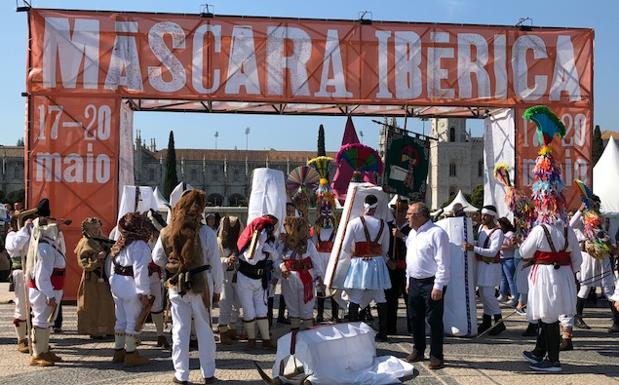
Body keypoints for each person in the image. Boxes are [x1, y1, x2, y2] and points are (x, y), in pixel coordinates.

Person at [152, 189, 223, 384]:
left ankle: (181, 375)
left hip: (176, 283)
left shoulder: (167, 231)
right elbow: (215, 263)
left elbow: (157, 258)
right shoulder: (207, 232)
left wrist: (173, 264)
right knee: (204, 329)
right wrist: (218, 289)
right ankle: (208, 374)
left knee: (180, 329)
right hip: (202, 283)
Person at [404, 202, 450, 370]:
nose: (406, 217)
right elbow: (411, 259)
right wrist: (409, 280)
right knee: (415, 317)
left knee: (434, 320)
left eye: (409, 213)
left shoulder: (437, 233)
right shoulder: (411, 233)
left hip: (432, 282)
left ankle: (437, 355)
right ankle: (418, 349)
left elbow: (443, 262)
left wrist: (438, 286)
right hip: (415, 282)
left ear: (420, 216)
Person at [342, 194, 391, 341]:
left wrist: (355, 254)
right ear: (376, 207)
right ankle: (383, 333)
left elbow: (345, 247)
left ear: (363, 205)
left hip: (359, 263)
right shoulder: (384, 224)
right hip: (377, 264)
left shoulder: (354, 223)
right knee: (380, 298)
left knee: (355, 298)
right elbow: (385, 249)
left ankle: (353, 332)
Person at [109, 212, 154, 367]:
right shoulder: (140, 245)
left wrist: (113, 284)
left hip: (116, 282)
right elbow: (140, 270)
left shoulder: (120, 242)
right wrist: (143, 292)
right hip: (131, 285)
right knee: (132, 320)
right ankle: (131, 354)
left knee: (120, 318)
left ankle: (118, 351)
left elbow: (112, 265)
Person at [570, 200, 618, 332]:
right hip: (588, 259)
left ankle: (617, 322)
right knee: (585, 288)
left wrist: (607, 245)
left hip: (603, 259)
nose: (594, 208)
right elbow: (570, 225)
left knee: (609, 289)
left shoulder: (607, 221)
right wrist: (580, 210)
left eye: (596, 205)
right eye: (590, 205)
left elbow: (613, 243)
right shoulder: (582, 222)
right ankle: (577, 318)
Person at [25, 216, 65, 366]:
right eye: (55, 226)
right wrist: (50, 294)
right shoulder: (44, 247)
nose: (58, 228)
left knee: (47, 321)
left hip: (51, 288)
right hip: (44, 291)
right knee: (41, 320)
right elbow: (42, 276)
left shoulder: (49, 244)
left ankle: (44, 350)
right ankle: (37, 354)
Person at [235, 214, 279, 350]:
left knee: (261, 310)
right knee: (249, 310)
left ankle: (265, 339)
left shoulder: (268, 242)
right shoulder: (248, 242)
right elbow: (251, 258)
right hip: (245, 278)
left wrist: (266, 247)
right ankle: (252, 339)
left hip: (260, 280)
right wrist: (260, 241)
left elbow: (275, 257)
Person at [464, 205, 505, 335]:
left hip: (491, 267)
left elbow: (493, 252)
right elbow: (480, 244)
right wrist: (473, 244)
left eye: (485, 215)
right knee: (482, 295)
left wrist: (473, 248)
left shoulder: (498, 232)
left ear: (493, 217)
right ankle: (486, 321)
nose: (482, 217)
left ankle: (499, 322)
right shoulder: (481, 228)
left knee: (488, 294)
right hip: (480, 266)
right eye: (482, 215)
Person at [278, 216, 322, 331]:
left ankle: (309, 335)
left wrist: (319, 277)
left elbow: (316, 261)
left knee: (307, 307)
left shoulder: (309, 244)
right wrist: (282, 267)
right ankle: (295, 335)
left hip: (306, 277)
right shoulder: (284, 244)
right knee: (292, 306)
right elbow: (277, 259)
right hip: (289, 278)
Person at [75, 217, 115, 339]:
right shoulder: (85, 242)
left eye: (98, 228)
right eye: (93, 228)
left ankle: (109, 328)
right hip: (91, 279)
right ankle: (94, 330)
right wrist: (97, 258)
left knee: (107, 304)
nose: (97, 231)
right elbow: (83, 262)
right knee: (92, 305)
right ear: (87, 229)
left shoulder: (104, 240)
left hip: (105, 279)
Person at [5, 212, 32, 353]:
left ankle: (37, 340)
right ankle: (21, 339)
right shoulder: (12, 235)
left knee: (37, 306)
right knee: (22, 305)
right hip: (20, 273)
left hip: (34, 271)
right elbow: (15, 246)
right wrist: (24, 230)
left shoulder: (33, 234)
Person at [217, 216, 243, 344]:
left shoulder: (241, 244)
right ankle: (222, 329)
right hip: (223, 276)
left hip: (237, 275)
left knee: (237, 302)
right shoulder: (218, 242)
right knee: (225, 302)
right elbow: (214, 260)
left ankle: (232, 326)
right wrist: (226, 260)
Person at [387, 196, 411, 335]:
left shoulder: (412, 227)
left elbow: (416, 243)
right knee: (391, 298)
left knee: (410, 299)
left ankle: (412, 327)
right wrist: (388, 260)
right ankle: (390, 327)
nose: (401, 213)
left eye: (403, 210)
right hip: (393, 266)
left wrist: (401, 235)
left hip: (408, 267)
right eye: (398, 210)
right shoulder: (390, 225)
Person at [497, 217, 518, 307]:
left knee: (510, 279)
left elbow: (513, 246)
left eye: (499, 225)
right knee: (503, 278)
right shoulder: (502, 234)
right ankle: (502, 294)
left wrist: (500, 247)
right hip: (502, 258)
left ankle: (514, 297)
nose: (498, 227)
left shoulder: (510, 234)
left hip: (509, 258)